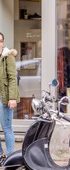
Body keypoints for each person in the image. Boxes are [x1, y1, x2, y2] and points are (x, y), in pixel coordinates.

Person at [0, 32, 20, 162]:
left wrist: (12, 98)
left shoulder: (8, 57)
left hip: (5, 97)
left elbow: (13, 78)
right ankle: (1, 154)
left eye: (1, 41)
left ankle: (10, 157)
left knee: (7, 128)